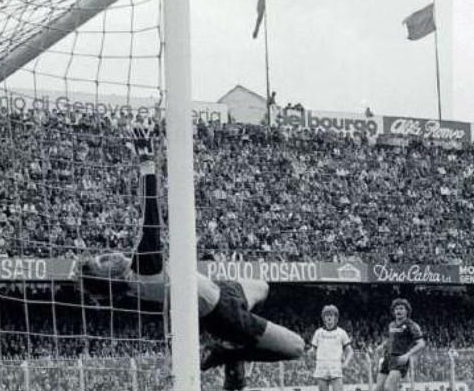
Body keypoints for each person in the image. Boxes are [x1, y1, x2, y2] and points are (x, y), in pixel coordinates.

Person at [78, 126, 304, 373]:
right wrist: (147, 164)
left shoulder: (134, 279)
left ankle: (235, 341)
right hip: (222, 316)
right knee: (297, 347)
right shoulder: (142, 267)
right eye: (103, 261)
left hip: (222, 289)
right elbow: (150, 217)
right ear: (110, 277)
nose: (108, 254)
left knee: (262, 287)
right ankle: (226, 352)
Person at [372, 298, 425, 391]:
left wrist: (407, 355)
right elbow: (389, 340)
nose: (398, 311)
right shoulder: (391, 325)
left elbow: (421, 343)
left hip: (399, 359)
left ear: (407, 311)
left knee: (389, 387)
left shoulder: (411, 325)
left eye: (401, 308)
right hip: (387, 359)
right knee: (378, 390)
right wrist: (381, 346)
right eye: (396, 309)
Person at [307, 305, 353, 391]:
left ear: (336, 318)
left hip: (336, 367)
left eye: (331, 316)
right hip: (321, 366)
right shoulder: (318, 333)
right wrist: (310, 353)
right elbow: (313, 349)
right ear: (323, 318)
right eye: (327, 316)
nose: (329, 318)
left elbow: (349, 351)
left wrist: (346, 363)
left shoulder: (341, 333)